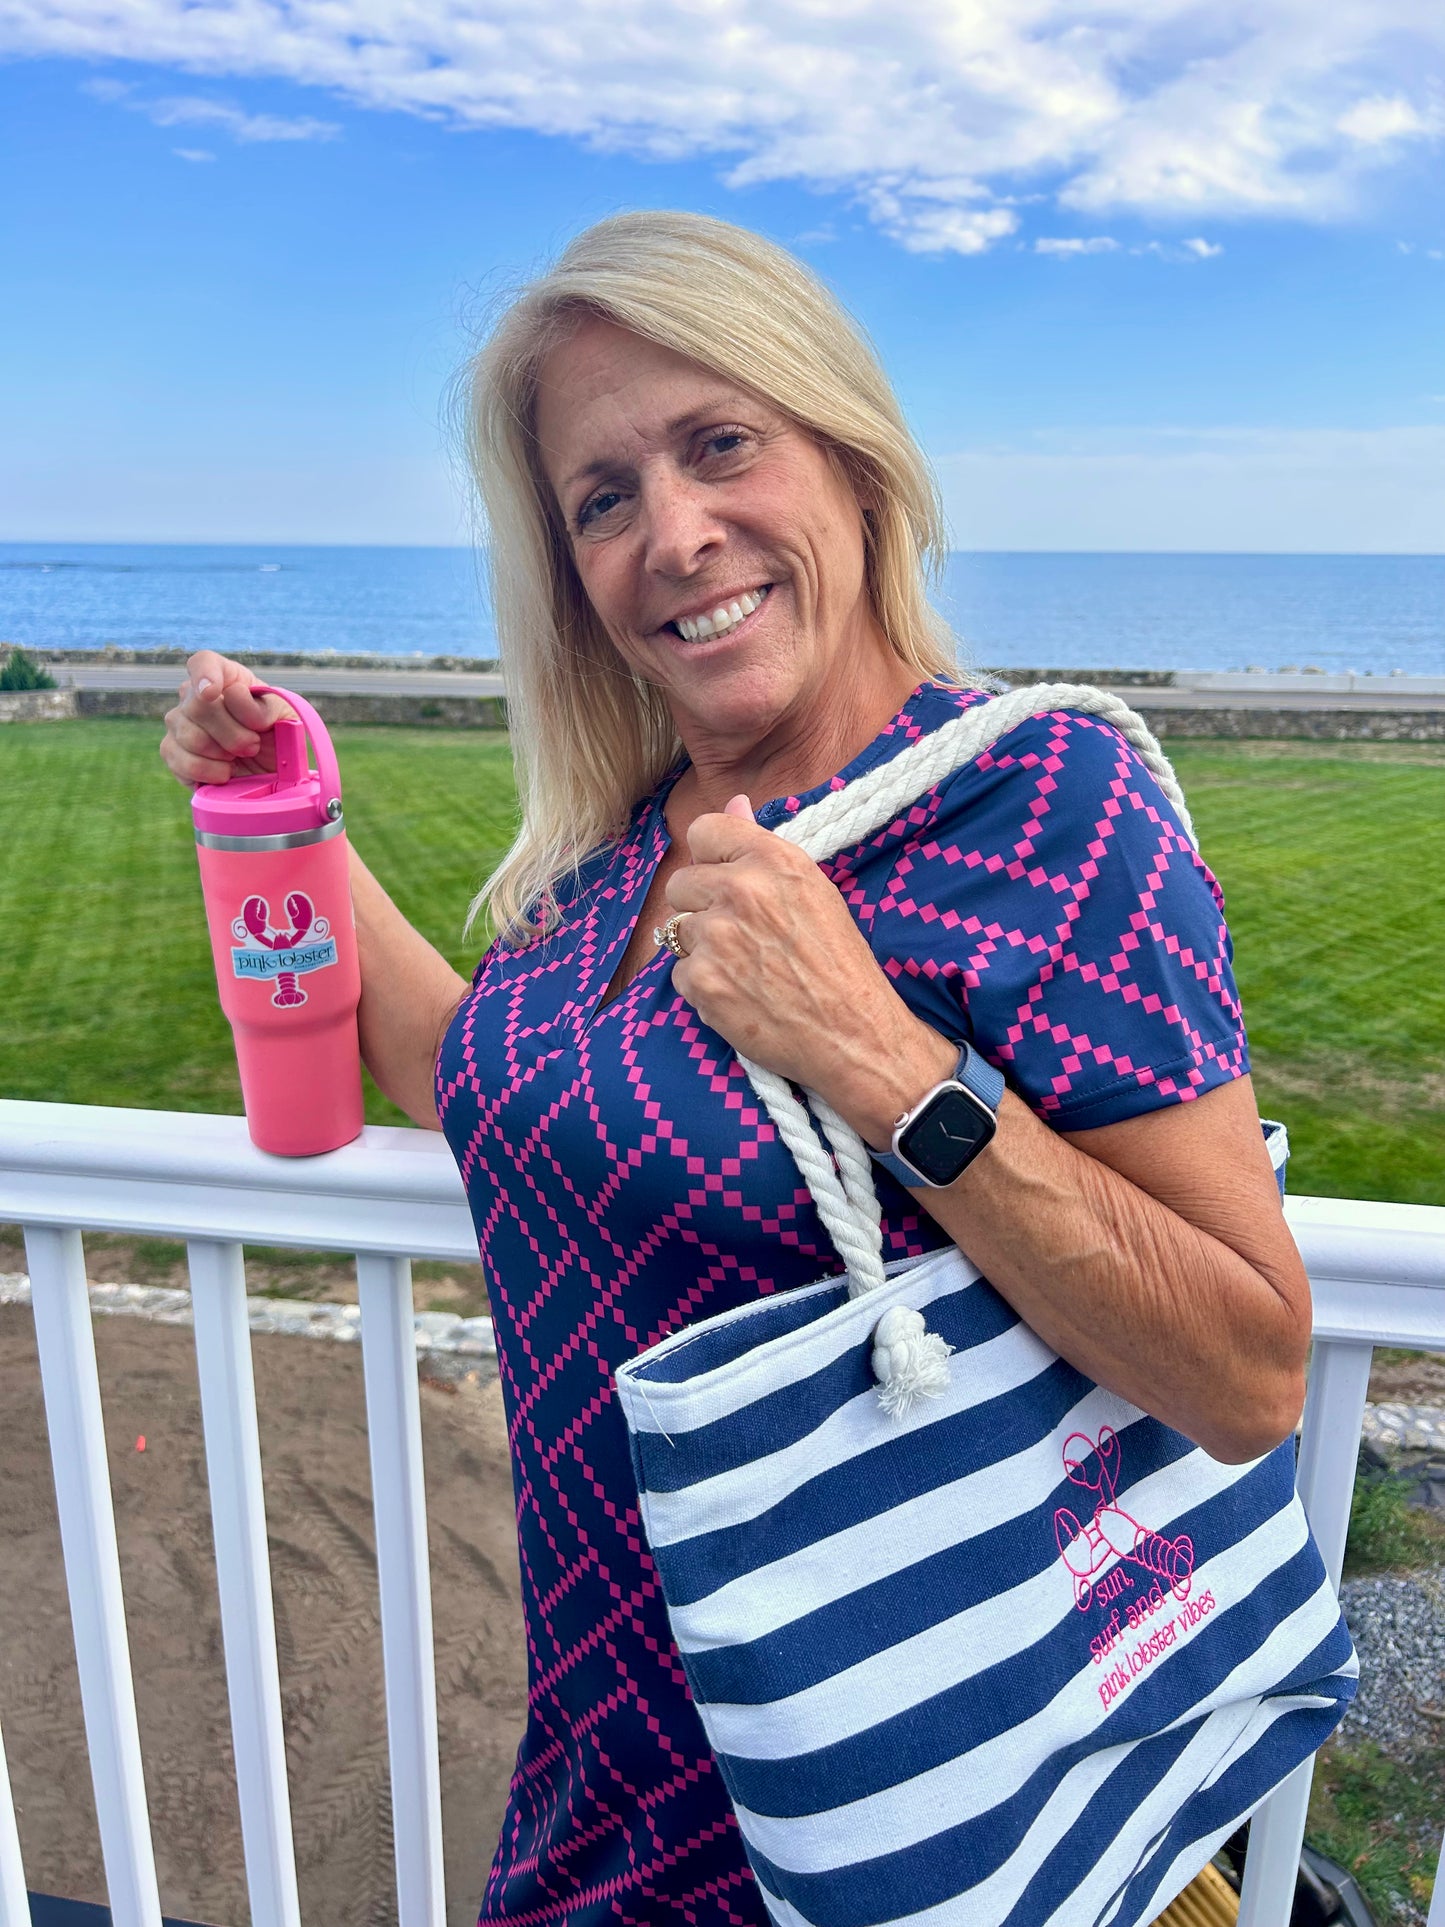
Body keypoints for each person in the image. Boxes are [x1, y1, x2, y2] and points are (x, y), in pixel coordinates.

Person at [161, 211, 1312, 1927]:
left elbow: (1245, 1371)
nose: (674, 535)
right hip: (617, 1776)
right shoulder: (628, 850)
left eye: (719, 445)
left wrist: (873, 1054)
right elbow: (468, 1079)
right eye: (601, 500)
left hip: (919, 1809)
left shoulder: (1044, 802)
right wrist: (282, 811)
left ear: (849, 461)